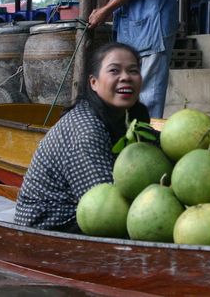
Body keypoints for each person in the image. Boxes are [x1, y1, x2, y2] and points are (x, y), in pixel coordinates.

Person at [14, 42, 149, 231]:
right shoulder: (85, 129)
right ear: (94, 82)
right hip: (47, 227)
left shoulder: (132, 119)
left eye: (133, 71)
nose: (125, 77)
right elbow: (106, 207)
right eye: (114, 71)